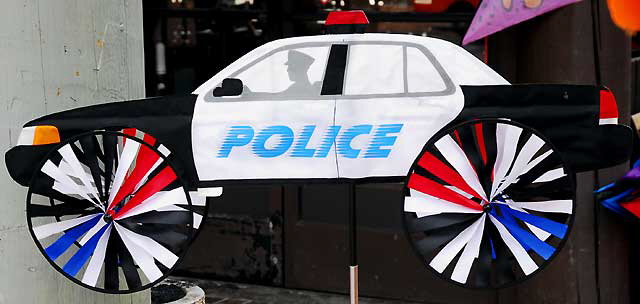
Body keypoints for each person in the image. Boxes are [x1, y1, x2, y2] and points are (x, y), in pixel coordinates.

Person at [243, 49, 320, 97]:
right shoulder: (301, 86)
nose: (287, 70)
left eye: (291, 67)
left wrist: (252, 95)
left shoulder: (299, 88)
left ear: (299, 69)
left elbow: (274, 97)